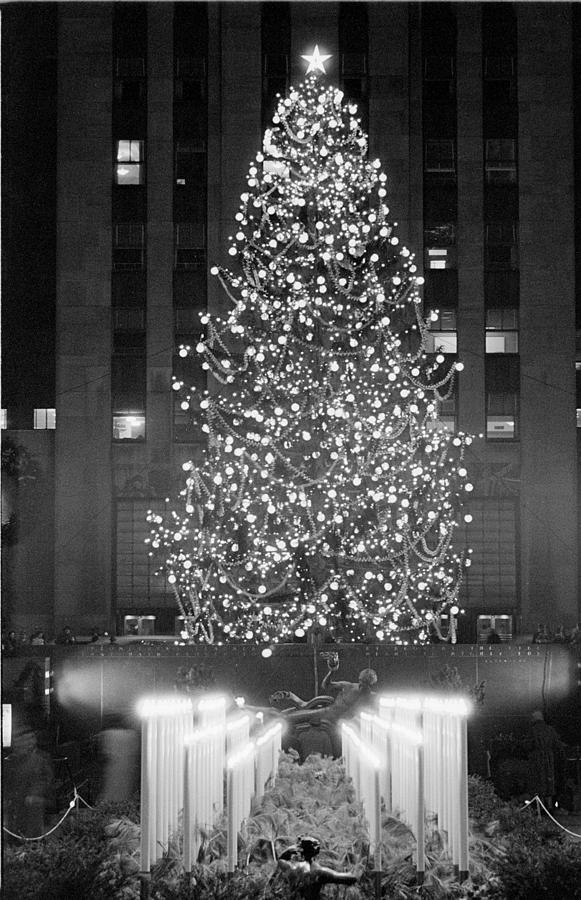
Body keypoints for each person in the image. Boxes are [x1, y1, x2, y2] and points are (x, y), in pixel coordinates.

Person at [277, 835, 360, 900]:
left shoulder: (292, 868)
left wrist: (293, 848)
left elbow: (281, 859)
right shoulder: (319, 872)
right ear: (316, 852)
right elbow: (351, 878)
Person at [526, 710, 566, 809]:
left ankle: (542, 807)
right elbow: (557, 744)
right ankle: (550, 806)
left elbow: (528, 745)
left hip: (536, 759)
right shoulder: (550, 729)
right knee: (549, 782)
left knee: (539, 782)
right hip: (548, 759)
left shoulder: (532, 730)